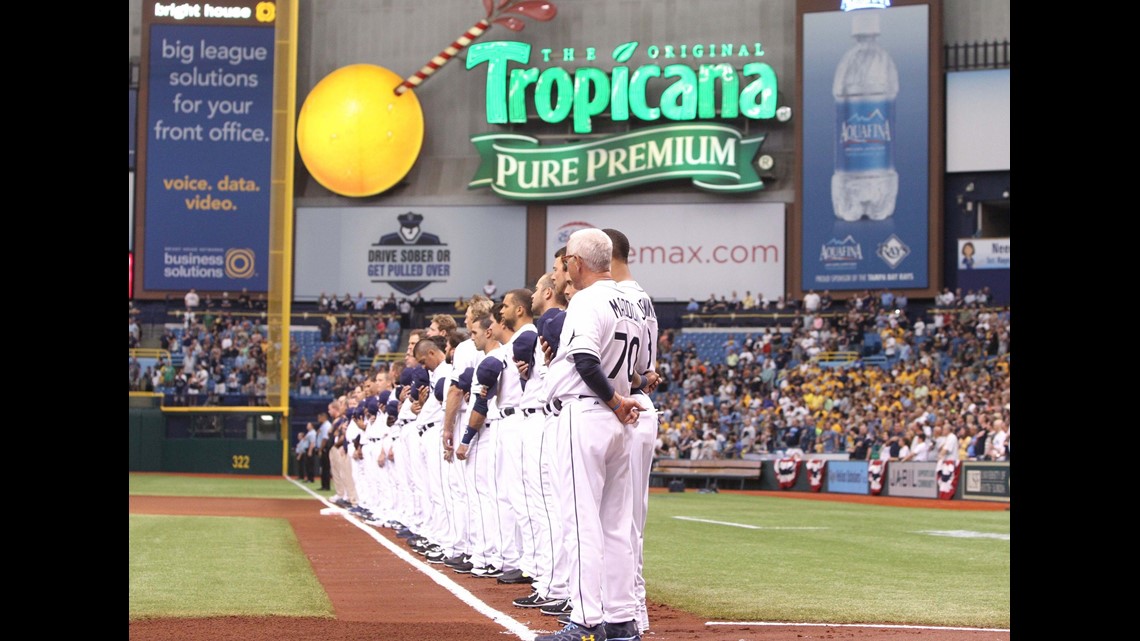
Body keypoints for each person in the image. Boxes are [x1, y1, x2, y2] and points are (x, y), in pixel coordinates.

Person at [536, 228, 647, 641]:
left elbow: (584, 358)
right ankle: (621, 620)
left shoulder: (585, 300)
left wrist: (614, 401)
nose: (564, 270)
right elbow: (638, 369)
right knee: (616, 525)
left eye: (566, 262)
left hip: (589, 412)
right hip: (618, 420)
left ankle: (584, 623)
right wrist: (620, 401)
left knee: (581, 523)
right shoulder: (628, 300)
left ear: (577, 263)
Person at [603, 227, 660, 635]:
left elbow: (634, 373)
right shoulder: (643, 298)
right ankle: (629, 610)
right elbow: (646, 369)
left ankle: (631, 613)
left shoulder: (621, 298)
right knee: (627, 517)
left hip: (626, 405)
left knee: (622, 519)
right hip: (637, 400)